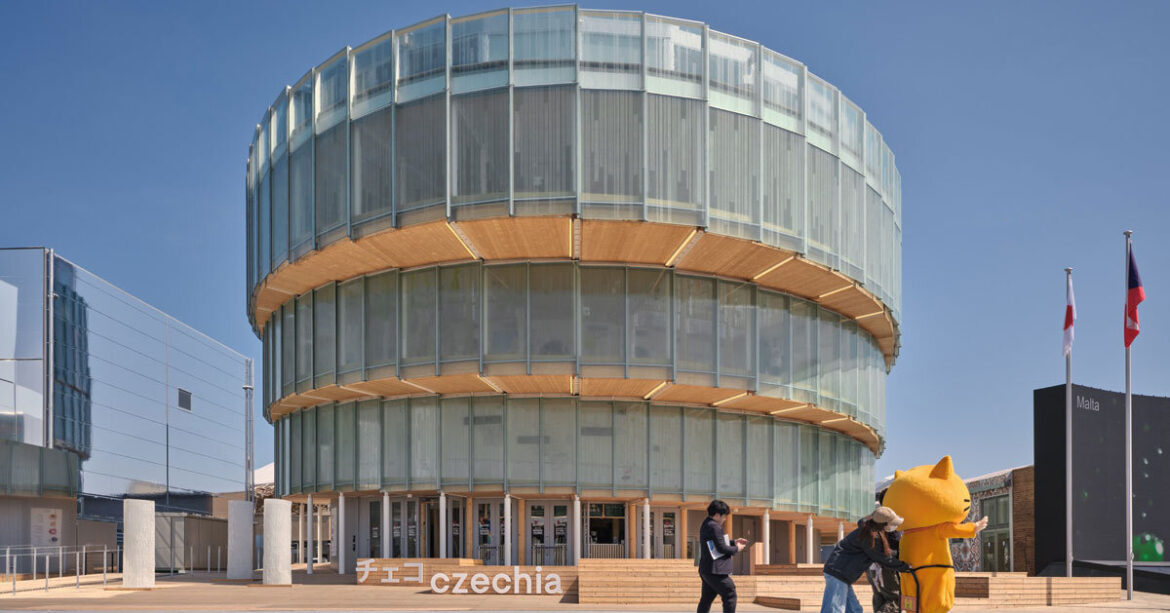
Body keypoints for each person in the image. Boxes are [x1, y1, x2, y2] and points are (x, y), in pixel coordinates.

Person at [821, 507, 909, 613]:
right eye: (891, 523)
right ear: (883, 524)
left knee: (854, 610)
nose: (893, 526)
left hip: (842, 574)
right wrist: (905, 567)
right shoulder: (870, 536)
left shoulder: (869, 531)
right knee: (834, 609)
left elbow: (882, 554)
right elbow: (881, 557)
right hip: (838, 573)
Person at [697, 499, 746, 613]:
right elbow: (722, 548)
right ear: (717, 515)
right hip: (716, 571)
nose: (724, 519)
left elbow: (718, 542)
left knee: (706, 600)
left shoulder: (706, 523)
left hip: (707, 569)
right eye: (724, 516)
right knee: (730, 594)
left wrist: (734, 541)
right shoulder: (715, 526)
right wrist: (737, 548)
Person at [862, 504, 903, 613]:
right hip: (884, 570)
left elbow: (861, 521)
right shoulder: (879, 535)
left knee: (879, 596)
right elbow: (886, 555)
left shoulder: (868, 529)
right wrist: (903, 564)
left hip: (872, 569)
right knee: (894, 598)